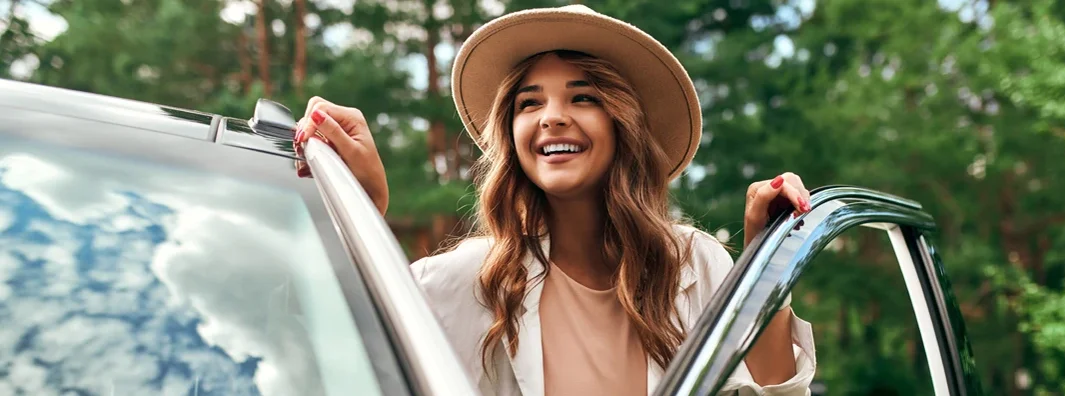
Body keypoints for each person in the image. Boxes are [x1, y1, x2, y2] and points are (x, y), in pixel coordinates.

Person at [293, 5, 816, 396]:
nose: (551, 116)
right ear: (512, 133)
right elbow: (328, 356)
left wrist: (766, 264)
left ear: (623, 123)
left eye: (583, 97)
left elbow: (774, 393)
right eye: (530, 102)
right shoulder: (468, 279)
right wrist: (365, 209)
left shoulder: (696, 263)